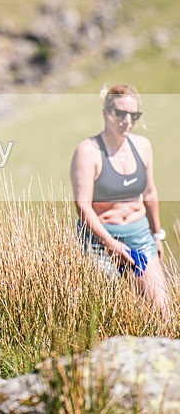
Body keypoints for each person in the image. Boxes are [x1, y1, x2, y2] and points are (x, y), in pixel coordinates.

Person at [70, 84, 170, 318]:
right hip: (99, 241)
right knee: (105, 313)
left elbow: (150, 194)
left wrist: (157, 235)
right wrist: (110, 244)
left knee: (162, 311)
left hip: (139, 236)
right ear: (106, 113)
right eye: (120, 113)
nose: (127, 121)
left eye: (134, 115)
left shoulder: (143, 146)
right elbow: (82, 205)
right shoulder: (88, 151)